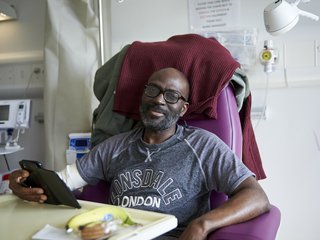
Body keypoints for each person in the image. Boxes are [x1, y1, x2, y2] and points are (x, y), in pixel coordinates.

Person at [9, 67, 270, 240]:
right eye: (152, 90)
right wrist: (26, 185)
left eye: (171, 95)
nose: (159, 99)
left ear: (183, 109)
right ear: (142, 96)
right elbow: (63, 182)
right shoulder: (115, 146)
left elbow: (255, 196)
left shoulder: (203, 146)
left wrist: (202, 225)